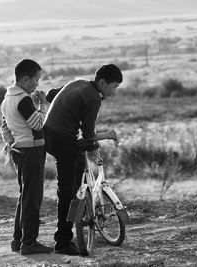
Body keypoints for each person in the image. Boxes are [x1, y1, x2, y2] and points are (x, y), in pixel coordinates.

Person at [43, 64, 122, 255]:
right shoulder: (93, 98)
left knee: (77, 177)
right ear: (102, 82)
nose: (113, 92)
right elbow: (88, 135)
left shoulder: (78, 82)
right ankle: (62, 242)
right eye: (113, 87)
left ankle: (81, 217)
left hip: (49, 135)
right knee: (68, 191)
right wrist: (109, 134)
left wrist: (67, 114)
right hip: (63, 140)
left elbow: (50, 95)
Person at [0, 58, 52, 255]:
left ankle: (18, 240)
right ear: (24, 79)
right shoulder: (23, 100)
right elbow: (38, 125)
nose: (37, 84)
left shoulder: (7, 99)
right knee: (32, 199)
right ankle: (29, 243)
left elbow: (4, 128)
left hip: (19, 151)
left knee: (24, 197)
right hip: (32, 151)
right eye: (36, 80)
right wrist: (42, 105)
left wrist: (12, 144)